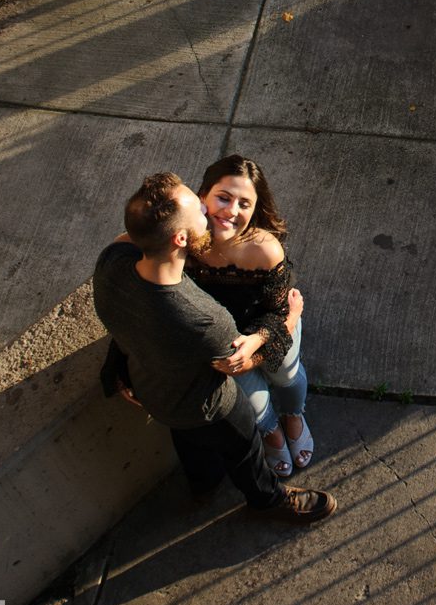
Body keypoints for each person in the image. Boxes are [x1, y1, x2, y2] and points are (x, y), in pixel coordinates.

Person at [91, 172, 333, 523]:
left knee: (191, 449)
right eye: (200, 214)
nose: (209, 212)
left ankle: (202, 488)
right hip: (207, 404)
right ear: (180, 238)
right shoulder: (203, 317)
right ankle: (268, 500)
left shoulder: (113, 260)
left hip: (152, 390)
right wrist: (291, 317)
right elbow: (241, 362)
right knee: (244, 447)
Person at [191, 155, 312, 477]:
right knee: (253, 403)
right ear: (203, 194)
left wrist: (255, 348)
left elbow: (282, 310)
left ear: (255, 209)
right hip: (226, 343)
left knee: (286, 377)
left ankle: (293, 415)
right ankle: (271, 431)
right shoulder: (185, 242)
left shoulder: (264, 248)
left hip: (271, 328)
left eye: (244, 203)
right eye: (223, 197)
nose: (231, 211)